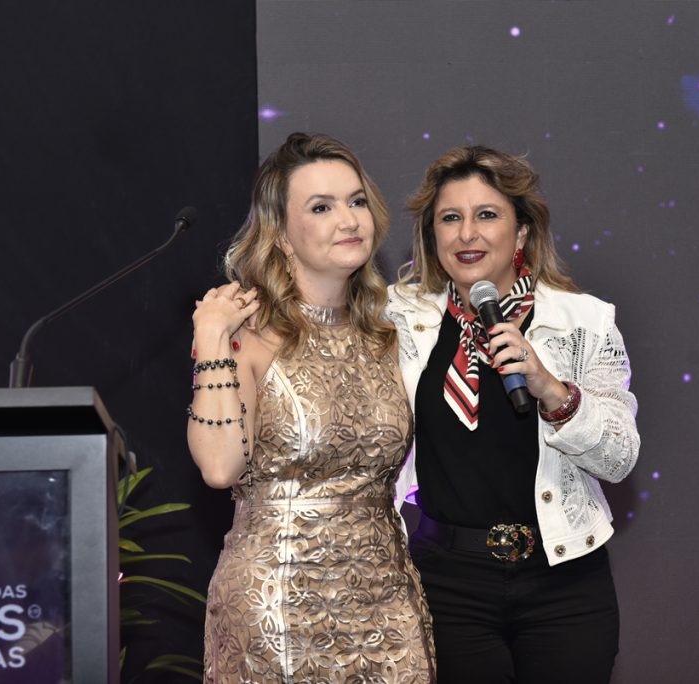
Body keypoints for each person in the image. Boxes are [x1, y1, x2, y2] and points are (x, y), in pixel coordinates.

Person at [188, 132, 435, 683]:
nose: (348, 220)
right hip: (277, 602)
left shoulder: (391, 336)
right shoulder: (247, 336)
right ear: (280, 234)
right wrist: (210, 336)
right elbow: (220, 467)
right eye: (321, 207)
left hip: (388, 606)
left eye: (356, 201)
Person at [387, 145, 640, 683]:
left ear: (521, 232)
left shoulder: (584, 322)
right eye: (450, 218)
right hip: (448, 580)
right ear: (433, 236)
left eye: (486, 215)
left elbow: (619, 459)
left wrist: (553, 390)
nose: (467, 234)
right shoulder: (397, 319)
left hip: (564, 579)